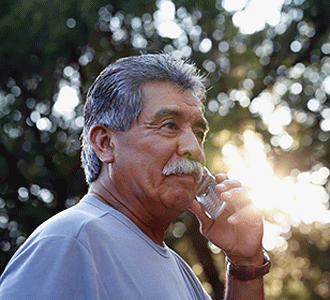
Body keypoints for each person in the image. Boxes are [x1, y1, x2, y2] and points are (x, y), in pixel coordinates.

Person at [0, 54, 270, 299]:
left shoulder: (182, 273)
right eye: (169, 125)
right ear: (105, 143)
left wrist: (245, 265)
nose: (194, 149)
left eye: (198, 133)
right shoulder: (69, 242)